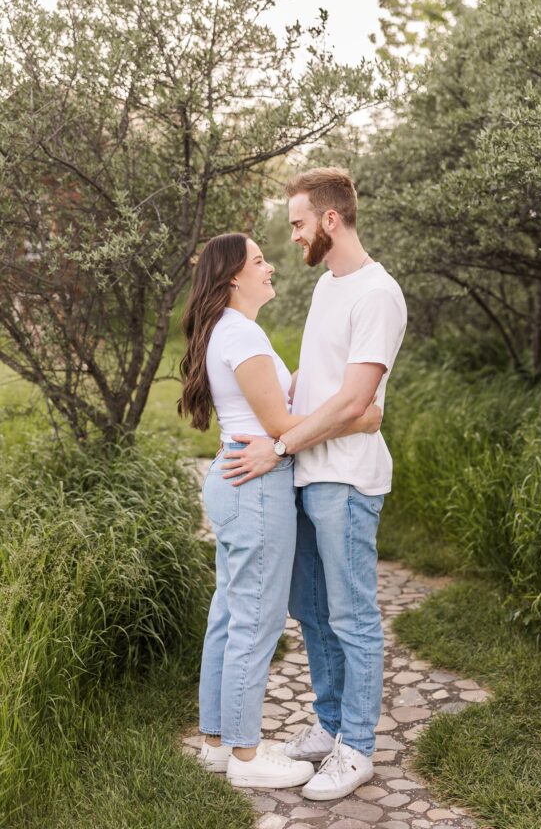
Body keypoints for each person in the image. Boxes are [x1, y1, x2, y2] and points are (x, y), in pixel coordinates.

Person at [221, 168, 407, 801]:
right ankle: (329, 727)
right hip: (310, 472)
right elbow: (325, 382)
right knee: (314, 613)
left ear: (331, 220)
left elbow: (358, 400)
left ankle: (356, 747)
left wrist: (279, 443)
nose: (293, 236)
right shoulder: (329, 285)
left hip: (347, 481)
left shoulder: (377, 293)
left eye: (299, 223)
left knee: (352, 616)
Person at [178, 231, 382, 790]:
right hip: (256, 485)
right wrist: (359, 419)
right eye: (259, 261)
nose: (270, 266)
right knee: (254, 622)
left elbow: (291, 399)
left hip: (237, 478)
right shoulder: (239, 333)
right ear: (232, 278)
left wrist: (334, 394)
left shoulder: (236, 330)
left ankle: (218, 743)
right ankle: (247, 757)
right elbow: (280, 428)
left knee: (228, 614)